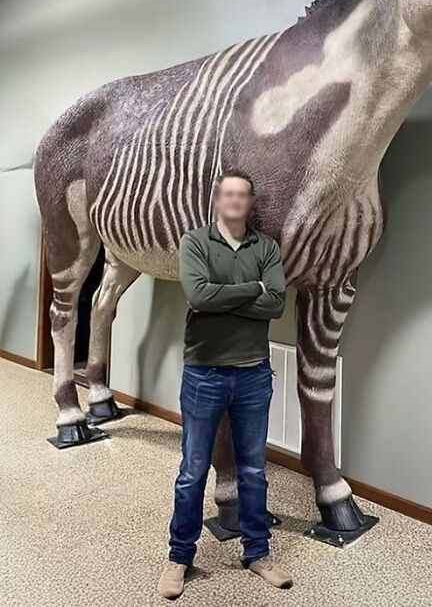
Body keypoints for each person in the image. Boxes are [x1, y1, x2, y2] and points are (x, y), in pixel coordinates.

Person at [158, 170, 293, 598]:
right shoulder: (195, 242)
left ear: (250, 202)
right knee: (193, 471)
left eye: (242, 195)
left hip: (254, 374)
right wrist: (253, 288)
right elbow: (198, 297)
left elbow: (276, 304)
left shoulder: (266, 247)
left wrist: (224, 296)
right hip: (205, 374)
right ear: (217, 199)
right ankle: (180, 557)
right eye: (228, 194)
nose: (235, 200)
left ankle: (258, 553)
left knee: (253, 470)